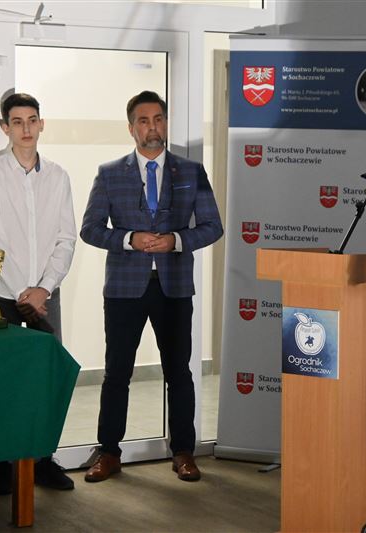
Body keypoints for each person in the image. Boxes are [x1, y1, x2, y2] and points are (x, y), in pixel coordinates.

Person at [80, 90, 223, 483]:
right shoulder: (109, 173)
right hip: (124, 288)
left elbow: (213, 226)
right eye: (143, 121)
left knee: (179, 373)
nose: (152, 127)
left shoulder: (191, 172)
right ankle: (109, 453)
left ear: (165, 123)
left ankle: (183, 452)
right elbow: (90, 229)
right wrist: (130, 239)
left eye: (158, 119)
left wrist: (176, 240)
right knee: (117, 373)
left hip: (174, 287)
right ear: (132, 128)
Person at [0, 92, 77, 493]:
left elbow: (66, 238)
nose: (26, 129)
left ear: (41, 124)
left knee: (43, 379)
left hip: (45, 294)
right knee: (1, 377)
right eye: (17, 122)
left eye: (32, 120)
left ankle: (42, 460)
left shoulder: (58, 176)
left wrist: (43, 287)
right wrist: (24, 289)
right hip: (1, 293)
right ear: (5, 127)